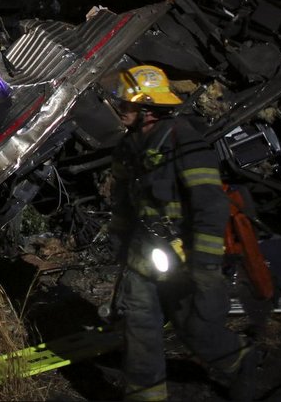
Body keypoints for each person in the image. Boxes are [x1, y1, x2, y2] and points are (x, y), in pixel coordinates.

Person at [106, 64, 260, 401]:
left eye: (126, 103)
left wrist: (205, 265)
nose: (119, 108)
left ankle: (240, 359)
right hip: (143, 254)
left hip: (186, 255)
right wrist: (120, 243)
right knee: (139, 326)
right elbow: (122, 201)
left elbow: (211, 205)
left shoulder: (183, 140)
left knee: (195, 327)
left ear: (148, 109)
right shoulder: (128, 147)